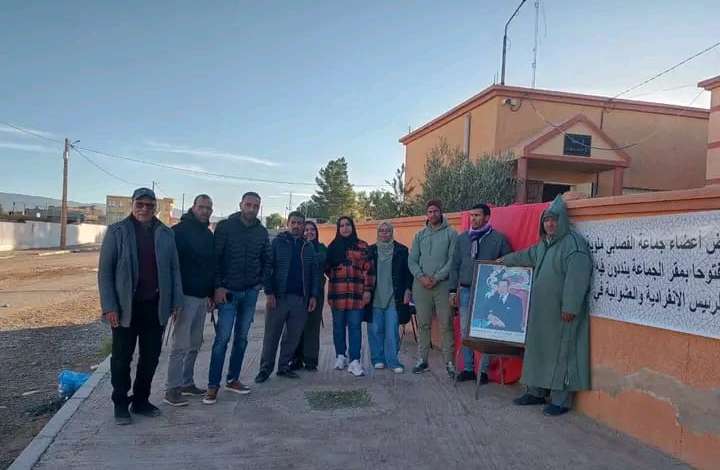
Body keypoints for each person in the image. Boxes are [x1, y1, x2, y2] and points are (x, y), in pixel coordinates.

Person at [500, 195, 592, 417]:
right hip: (542, 312)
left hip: (562, 313)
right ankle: (536, 392)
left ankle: (561, 401)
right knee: (539, 351)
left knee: (562, 353)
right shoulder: (545, 244)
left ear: (563, 221)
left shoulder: (574, 245)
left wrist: (570, 307)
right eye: (546, 220)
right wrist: (505, 260)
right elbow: (528, 255)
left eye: (554, 220)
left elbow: (577, 279)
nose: (550, 224)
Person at [98, 187, 183, 425]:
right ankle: (120, 403)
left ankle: (141, 400)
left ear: (155, 207)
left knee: (150, 357)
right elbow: (105, 272)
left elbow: (174, 269)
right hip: (125, 308)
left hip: (155, 307)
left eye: (149, 205)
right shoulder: (117, 232)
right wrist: (109, 307)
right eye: (140, 204)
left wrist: (176, 301)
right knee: (121, 358)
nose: (144, 209)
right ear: (132, 205)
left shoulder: (165, 233)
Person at [203, 192, 271, 405]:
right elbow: (215, 259)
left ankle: (233, 379)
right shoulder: (225, 227)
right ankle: (213, 385)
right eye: (248, 204)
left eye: (256, 206)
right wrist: (217, 287)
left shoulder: (261, 232)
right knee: (222, 339)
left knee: (241, 339)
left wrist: (260, 283)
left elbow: (267, 259)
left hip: (250, 293)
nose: (252, 209)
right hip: (228, 293)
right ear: (241, 204)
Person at [449, 203, 511, 383]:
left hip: (488, 292)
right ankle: (468, 369)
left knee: (485, 329)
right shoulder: (462, 239)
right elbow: (454, 265)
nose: (473, 219)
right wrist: (452, 290)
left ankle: (483, 371)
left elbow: (509, 262)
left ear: (487, 217)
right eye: (471, 215)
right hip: (466, 290)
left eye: (477, 215)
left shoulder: (498, 239)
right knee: (465, 330)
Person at [255, 212, 320, 382]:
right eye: (293, 222)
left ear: (303, 225)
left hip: (300, 300)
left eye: (300, 223)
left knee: (292, 337)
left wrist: (313, 296)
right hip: (279, 298)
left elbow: (314, 273)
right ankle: (265, 369)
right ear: (288, 224)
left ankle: (283, 367)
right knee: (271, 336)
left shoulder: (308, 247)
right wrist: (269, 292)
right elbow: (267, 268)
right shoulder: (278, 243)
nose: (296, 226)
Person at [163, 194, 215, 407]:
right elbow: (170, 267)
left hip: (202, 297)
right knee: (180, 345)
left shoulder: (208, 235)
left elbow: (210, 266)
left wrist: (211, 294)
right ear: (193, 208)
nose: (205, 211)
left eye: (208, 208)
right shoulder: (178, 232)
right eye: (201, 207)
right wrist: (173, 300)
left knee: (195, 343)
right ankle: (172, 389)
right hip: (184, 298)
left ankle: (186, 382)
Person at [408, 200, 458, 376]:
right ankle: (422, 360)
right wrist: (421, 277)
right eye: (429, 212)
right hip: (421, 286)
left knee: (446, 324)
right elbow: (412, 260)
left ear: (441, 212)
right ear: (426, 214)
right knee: (423, 324)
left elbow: (452, 260)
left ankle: (450, 363)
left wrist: (437, 278)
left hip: (442, 285)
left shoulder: (451, 234)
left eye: (435, 211)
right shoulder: (420, 235)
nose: (432, 214)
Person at [326, 216, 375, 377]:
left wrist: (367, 290)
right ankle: (340, 355)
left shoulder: (362, 246)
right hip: (338, 294)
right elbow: (328, 269)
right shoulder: (333, 247)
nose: (345, 228)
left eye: (348, 225)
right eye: (341, 226)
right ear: (338, 229)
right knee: (338, 327)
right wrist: (340, 277)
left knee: (355, 327)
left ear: (352, 227)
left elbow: (369, 270)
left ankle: (355, 360)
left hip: (356, 295)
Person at [366, 221, 412, 373]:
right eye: (381, 230)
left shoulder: (402, 250)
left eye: (387, 230)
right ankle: (378, 359)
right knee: (375, 330)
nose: (384, 233)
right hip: (375, 296)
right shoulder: (370, 251)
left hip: (394, 297)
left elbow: (408, 273)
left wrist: (408, 290)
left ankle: (393, 361)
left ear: (392, 232)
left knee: (392, 331)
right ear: (377, 233)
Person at [290, 220, 327, 371]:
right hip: (299, 291)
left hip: (316, 292)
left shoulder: (321, 248)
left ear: (316, 232)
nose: (309, 232)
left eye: (312, 230)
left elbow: (321, 260)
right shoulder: (296, 247)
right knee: (297, 326)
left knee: (312, 326)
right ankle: (296, 359)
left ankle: (311, 359)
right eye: (306, 230)